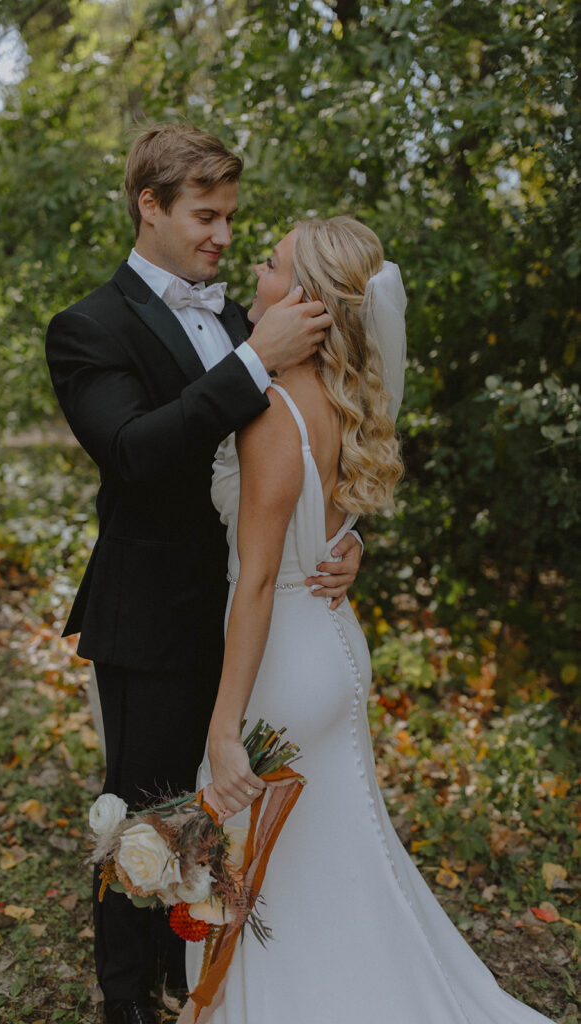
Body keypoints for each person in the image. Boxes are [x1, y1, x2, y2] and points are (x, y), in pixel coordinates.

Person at [186, 216, 555, 1023]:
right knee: (338, 866)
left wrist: (220, 731)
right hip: (333, 646)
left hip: (281, 658)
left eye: (272, 264)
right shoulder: (337, 399)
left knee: (265, 877)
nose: (255, 270)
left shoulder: (271, 414)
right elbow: (327, 522)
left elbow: (253, 583)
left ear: (308, 303)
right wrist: (346, 544)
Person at [44, 124, 365, 1024]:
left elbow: (308, 441)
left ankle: (198, 983)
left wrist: (339, 541)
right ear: (149, 207)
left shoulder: (237, 310)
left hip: (254, 615)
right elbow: (134, 451)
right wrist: (256, 356)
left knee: (210, 816)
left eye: (230, 216)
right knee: (141, 816)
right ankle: (126, 999)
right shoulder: (87, 328)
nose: (222, 235)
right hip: (151, 613)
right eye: (204, 215)